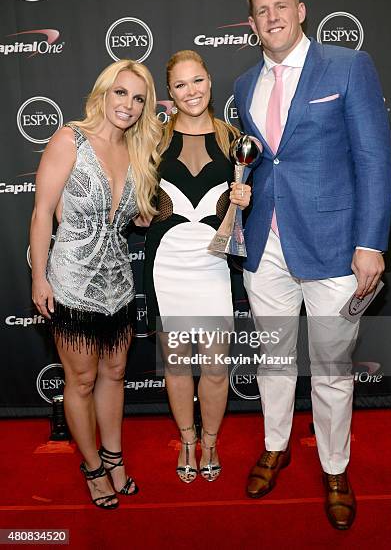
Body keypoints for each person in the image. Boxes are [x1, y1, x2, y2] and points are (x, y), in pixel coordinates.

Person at [234, 0, 391, 529]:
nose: (272, 16)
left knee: (330, 368)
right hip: (266, 245)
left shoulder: (347, 65)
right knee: (274, 361)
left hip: (333, 247)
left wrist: (371, 243)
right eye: (261, 10)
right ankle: (275, 445)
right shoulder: (242, 84)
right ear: (252, 24)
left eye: (282, 6)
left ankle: (334, 467)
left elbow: (375, 160)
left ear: (301, 11)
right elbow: (260, 160)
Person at [30, 59, 161, 509]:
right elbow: (42, 211)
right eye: (121, 92)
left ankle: (115, 457)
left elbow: (141, 216)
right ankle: (92, 467)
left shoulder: (138, 151)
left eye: (139, 97)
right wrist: (39, 278)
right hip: (71, 282)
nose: (128, 104)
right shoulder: (70, 139)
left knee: (115, 375)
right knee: (81, 380)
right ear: (104, 93)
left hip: (119, 283)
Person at [144, 50, 251, 483]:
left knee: (214, 365)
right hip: (165, 264)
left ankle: (210, 441)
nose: (192, 91)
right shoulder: (152, 139)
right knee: (175, 363)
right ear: (170, 92)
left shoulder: (233, 139)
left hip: (212, 263)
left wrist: (244, 204)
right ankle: (187, 440)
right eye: (182, 85)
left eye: (199, 81)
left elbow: (242, 211)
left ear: (210, 81)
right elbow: (140, 207)